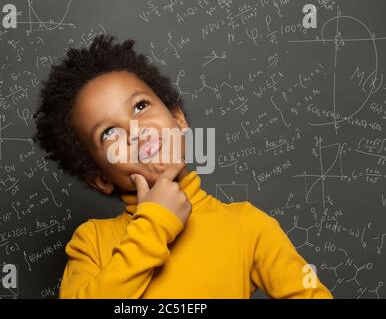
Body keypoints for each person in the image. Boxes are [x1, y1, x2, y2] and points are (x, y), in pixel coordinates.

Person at [32, 34, 333, 299]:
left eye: (140, 107)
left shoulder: (248, 227)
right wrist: (154, 226)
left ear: (178, 119)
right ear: (100, 179)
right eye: (109, 133)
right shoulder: (91, 242)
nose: (136, 133)